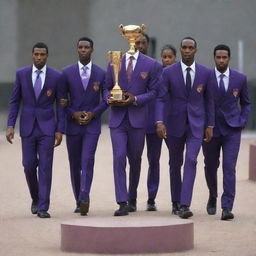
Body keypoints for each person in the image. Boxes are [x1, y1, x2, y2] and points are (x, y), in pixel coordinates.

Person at [156, 37, 214, 219]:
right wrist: (159, 121)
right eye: (184, 48)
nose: (187, 50)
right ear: (180, 50)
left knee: (191, 160)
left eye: (191, 48)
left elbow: (209, 100)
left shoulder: (206, 73)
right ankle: (175, 201)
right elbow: (161, 98)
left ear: (195, 50)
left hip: (196, 125)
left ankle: (184, 203)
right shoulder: (169, 73)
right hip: (174, 124)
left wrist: (210, 124)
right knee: (175, 163)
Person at [104, 36, 162, 216]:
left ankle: (132, 197)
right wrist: (110, 98)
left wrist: (135, 99)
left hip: (138, 120)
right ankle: (122, 201)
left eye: (141, 43)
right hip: (118, 120)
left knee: (135, 160)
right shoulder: (115, 60)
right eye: (135, 42)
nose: (137, 45)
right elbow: (106, 87)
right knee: (119, 157)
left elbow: (154, 92)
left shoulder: (152, 65)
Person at [6, 42, 64, 218]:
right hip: (28, 128)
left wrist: (59, 129)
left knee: (46, 167)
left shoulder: (56, 76)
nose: (39, 57)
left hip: (47, 128)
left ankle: (43, 207)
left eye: (43, 54)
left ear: (47, 56)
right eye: (36, 54)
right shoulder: (22, 74)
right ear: (32, 55)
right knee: (29, 166)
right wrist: (10, 125)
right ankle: (36, 198)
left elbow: (60, 105)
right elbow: (15, 101)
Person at [59, 37, 107, 216]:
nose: (83, 50)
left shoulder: (101, 74)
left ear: (92, 50)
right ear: (77, 49)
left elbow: (106, 98)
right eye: (80, 47)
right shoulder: (66, 73)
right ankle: (78, 200)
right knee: (75, 164)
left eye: (86, 47)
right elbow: (62, 101)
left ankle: (85, 196)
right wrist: (73, 114)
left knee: (87, 159)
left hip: (92, 126)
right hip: (73, 126)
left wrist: (94, 113)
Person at [202, 44, 250, 220]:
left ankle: (227, 206)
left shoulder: (240, 78)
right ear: (214, 58)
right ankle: (212, 195)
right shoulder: (206, 77)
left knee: (229, 167)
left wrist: (242, 120)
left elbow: (246, 103)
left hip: (232, 130)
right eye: (218, 57)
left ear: (229, 58)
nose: (221, 60)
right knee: (210, 166)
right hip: (210, 129)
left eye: (224, 57)